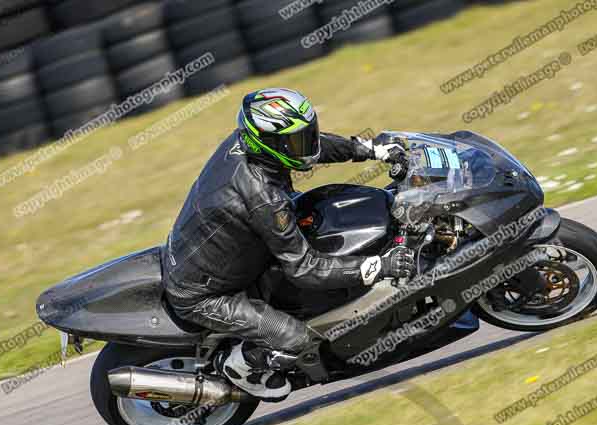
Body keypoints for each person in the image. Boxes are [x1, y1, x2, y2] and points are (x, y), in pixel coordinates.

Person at [162, 88, 416, 400]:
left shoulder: (246, 145)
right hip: (205, 295)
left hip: (216, 255)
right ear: (267, 143)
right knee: (298, 338)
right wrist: (380, 266)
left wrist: (368, 149)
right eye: (296, 140)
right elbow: (305, 270)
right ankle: (245, 364)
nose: (306, 145)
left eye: (305, 134)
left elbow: (309, 149)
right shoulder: (263, 197)